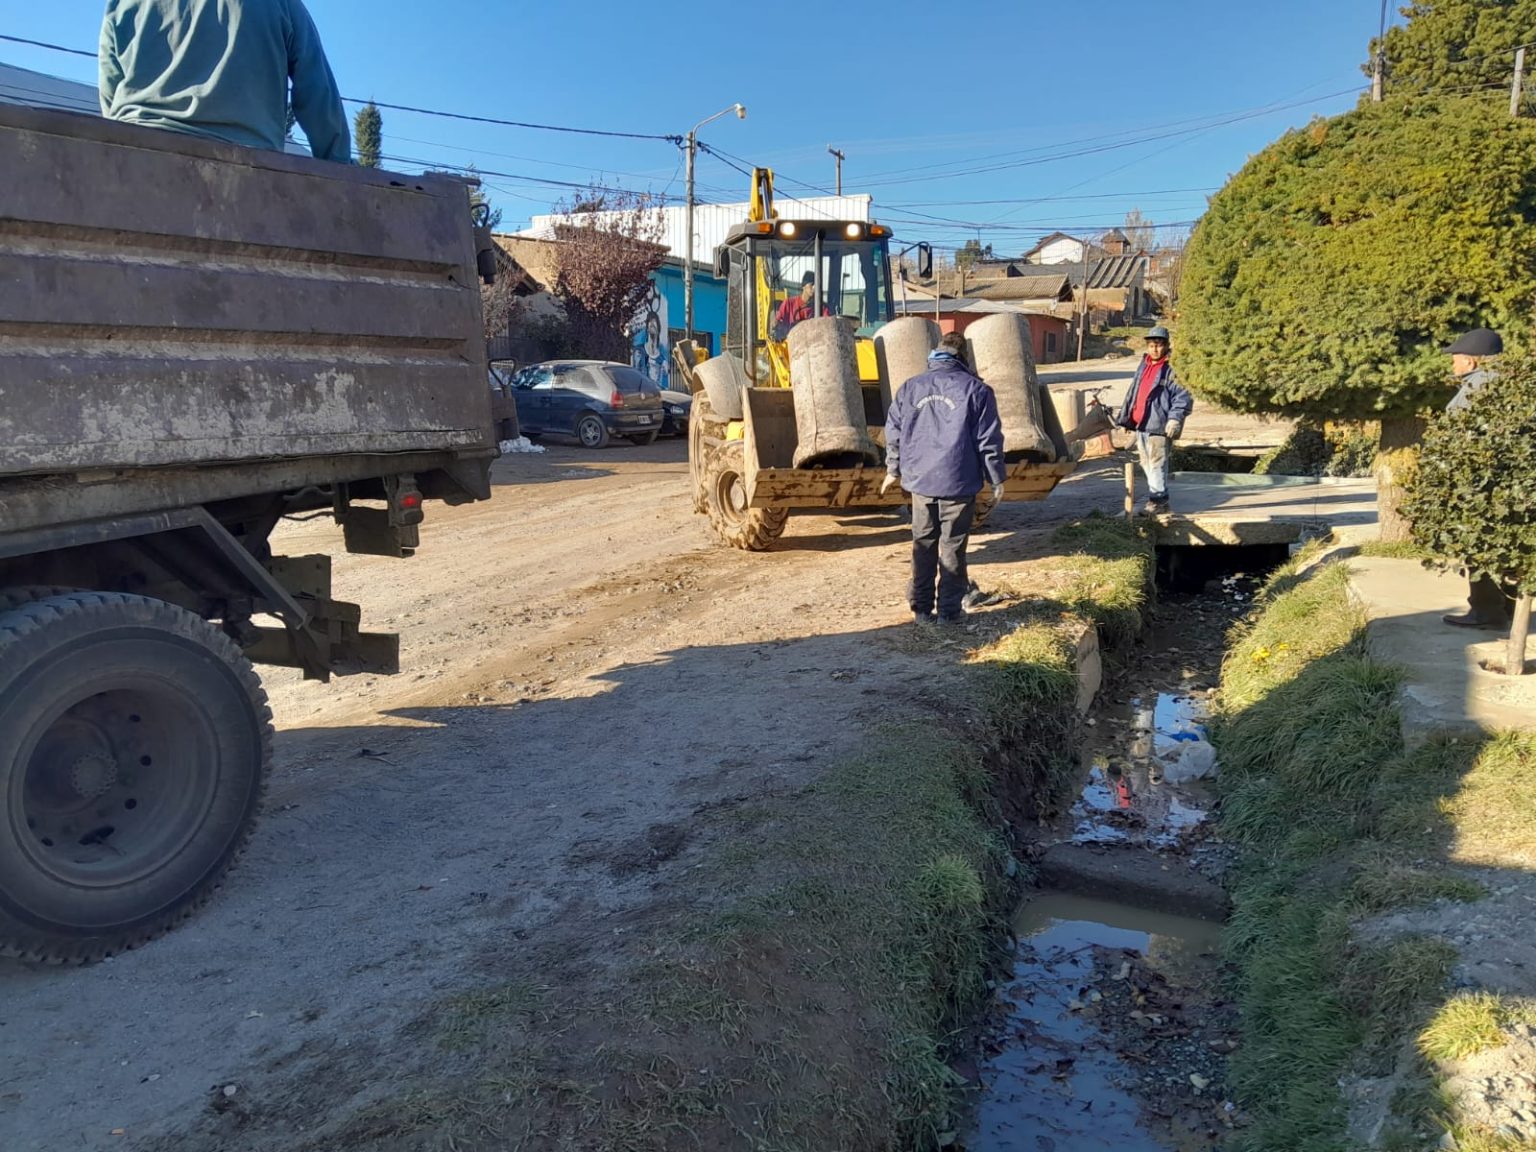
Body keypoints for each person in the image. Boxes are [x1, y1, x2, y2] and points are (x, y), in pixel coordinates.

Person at [99, 0, 352, 163]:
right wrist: (341, 170)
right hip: (248, 168)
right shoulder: (283, 5)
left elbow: (109, 92)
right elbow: (319, 95)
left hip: (134, 155)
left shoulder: (123, 3)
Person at [880, 332, 1006, 625]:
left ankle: (921, 611)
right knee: (952, 547)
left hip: (921, 481)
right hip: (958, 482)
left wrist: (893, 469)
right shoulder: (977, 390)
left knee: (922, 544)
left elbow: (893, 431)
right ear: (964, 357)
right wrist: (996, 477)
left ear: (937, 353)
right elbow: (988, 439)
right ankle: (949, 613)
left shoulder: (911, 387)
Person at [1439, 327, 1517, 629]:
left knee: (1478, 546)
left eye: (1455, 359)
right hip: (1508, 485)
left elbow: (1461, 440)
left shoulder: (1475, 390)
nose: (1452, 365)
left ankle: (1485, 611)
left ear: (1471, 362)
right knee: (1505, 547)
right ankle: (1507, 608)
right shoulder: (1512, 385)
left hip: (1480, 485)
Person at [1115, 325, 1194, 515]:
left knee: (1157, 462)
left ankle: (1158, 502)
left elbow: (1182, 395)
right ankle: (1157, 497)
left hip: (1159, 425)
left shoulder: (1172, 368)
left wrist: (1174, 419)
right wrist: (1127, 420)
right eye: (1151, 345)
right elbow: (1134, 392)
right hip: (1142, 425)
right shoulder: (1145, 364)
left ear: (1166, 345)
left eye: (1158, 345)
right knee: (1146, 463)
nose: (1155, 349)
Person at [772, 272, 828, 340]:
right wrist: (777, 325)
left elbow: (827, 323)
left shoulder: (821, 307)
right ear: (803, 286)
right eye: (812, 284)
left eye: (816, 285)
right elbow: (776, 322)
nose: (814, 287)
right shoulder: (788, 303)